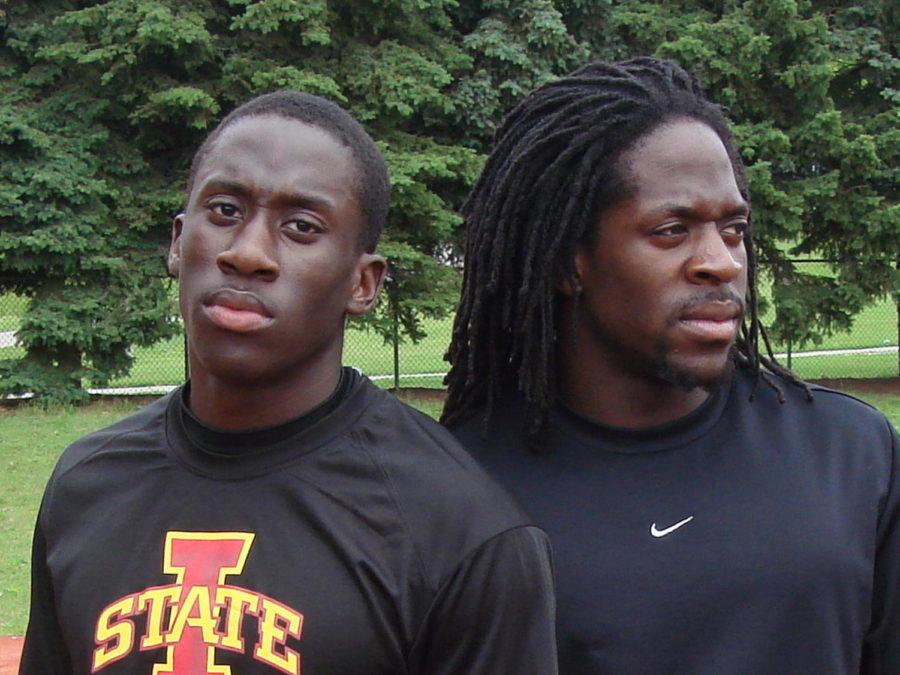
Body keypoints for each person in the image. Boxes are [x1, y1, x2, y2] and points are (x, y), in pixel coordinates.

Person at [20, 91, 557, 675]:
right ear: (178, 242)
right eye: (225, 211)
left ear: (363, 283)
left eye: (301, 227)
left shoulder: (461, 527)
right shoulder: (86, 485)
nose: (248, 253)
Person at [444, 58, 899, 673]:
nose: (721, 262)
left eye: (733, 229)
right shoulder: (460, 488)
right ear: (565, 262)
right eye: (670, 230)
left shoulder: (853, 454)